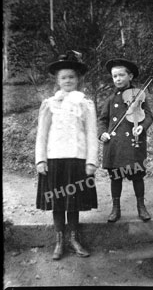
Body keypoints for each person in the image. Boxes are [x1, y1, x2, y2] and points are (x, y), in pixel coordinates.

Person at [35, 50, 98, 260]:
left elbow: (91, 134)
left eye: (71, 77)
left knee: (74, 202)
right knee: (58, 202)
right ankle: (59, 241)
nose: (68, 80)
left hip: (76, 160)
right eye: (63, 77)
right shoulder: (49, 104)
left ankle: (74, 239)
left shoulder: (85, 104)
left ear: (77, 79)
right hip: (54, 160)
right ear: (57, 80)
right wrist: (41, 160)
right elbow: (42, 134)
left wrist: (91, 162)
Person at [98, 58, 153, 223]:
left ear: (130, 76)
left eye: (121, 75)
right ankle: (115, 208)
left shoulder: (138, 96)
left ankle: (141, 206)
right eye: (114, 76)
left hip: (133, 143)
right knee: (115, 177)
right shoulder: (110, 100)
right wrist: (102, 134)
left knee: (137, 176)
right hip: (114, 145)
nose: (118, 79)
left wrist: (142, 127)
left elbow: (149, 116)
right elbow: (102, 120)